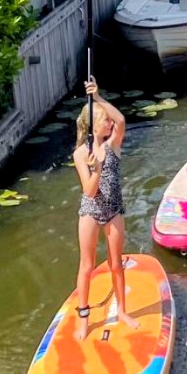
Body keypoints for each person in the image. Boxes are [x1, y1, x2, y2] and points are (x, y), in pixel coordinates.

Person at [72, 79, 137, 339]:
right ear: (94, 126)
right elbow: (89, 190)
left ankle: (122, 311)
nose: (110, 124)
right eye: (104, 121)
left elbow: (121, 120)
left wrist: (98, 98)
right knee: (86, 265)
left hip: (113, 210)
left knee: (115, 264)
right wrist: (96, 167)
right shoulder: (80, 154)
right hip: (90, 211)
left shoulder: (113, 145)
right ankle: (84, 319)